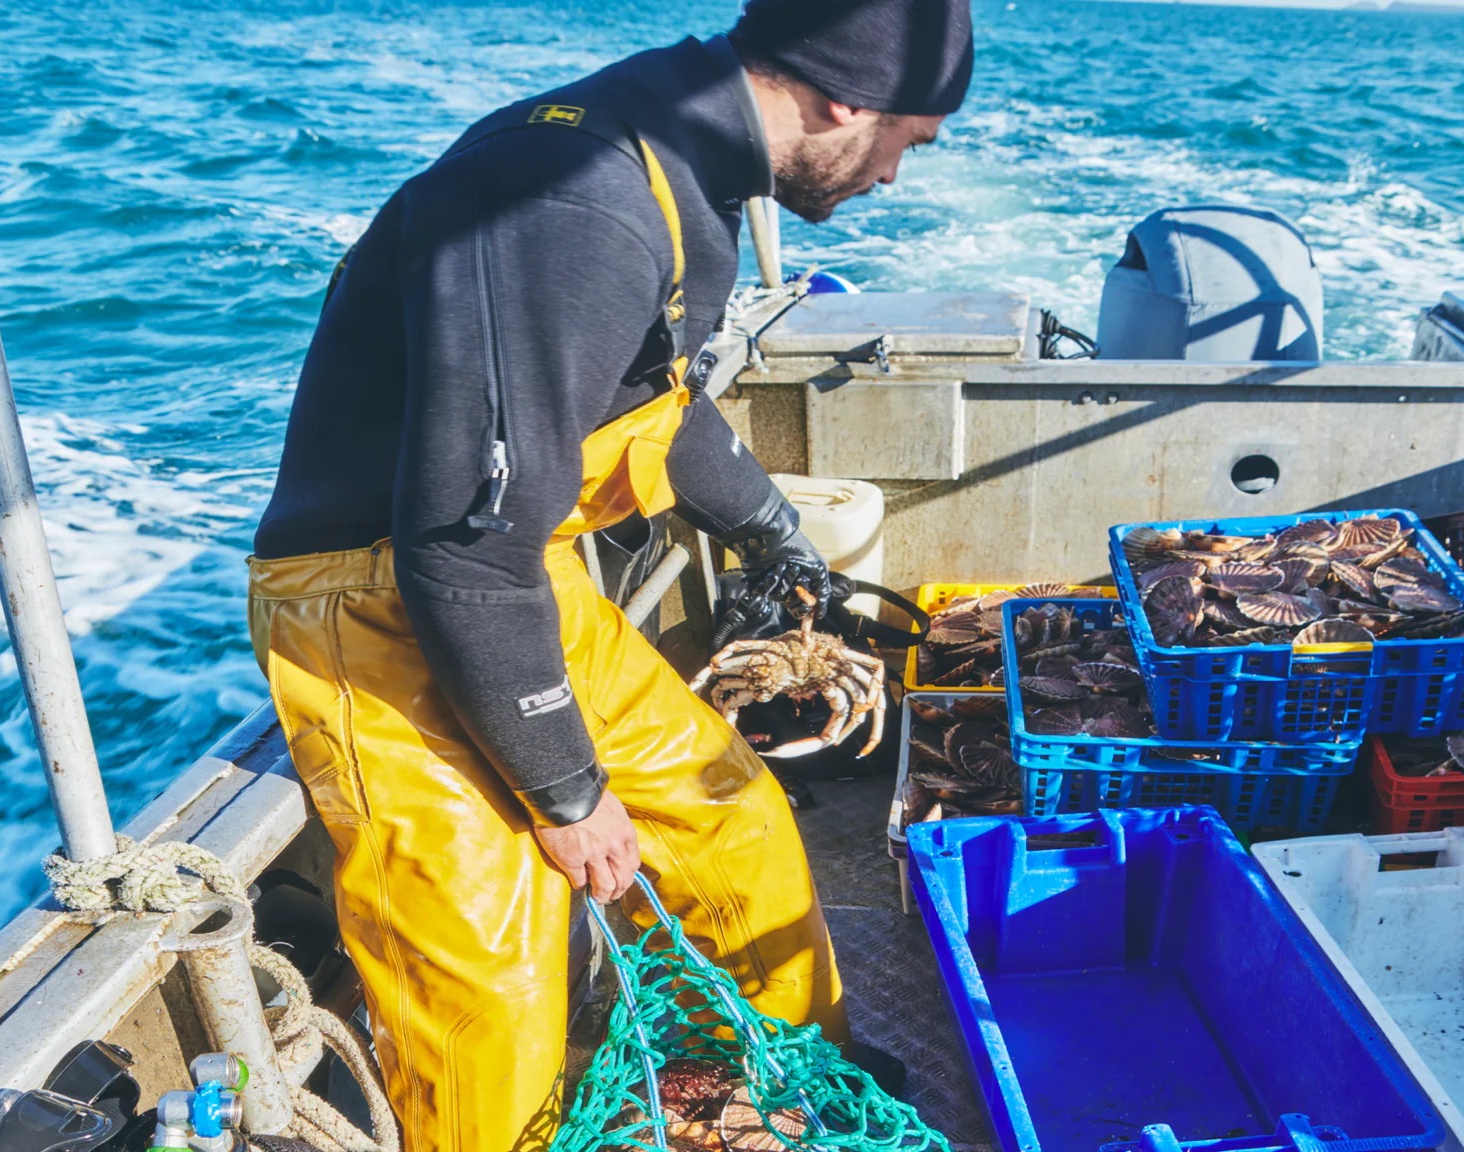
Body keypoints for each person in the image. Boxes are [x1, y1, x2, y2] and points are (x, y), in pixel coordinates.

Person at [247, 0, 973, 1149]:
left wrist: (773, 530)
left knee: (735, 829)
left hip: (518, 583)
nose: (892, 173)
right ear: (846, 96)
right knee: (488, 984)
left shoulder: (679, 152)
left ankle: (777, 1083)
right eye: (905, 141)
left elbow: (652, 397)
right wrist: (567, 793)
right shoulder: (577, 202)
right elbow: (459, 544)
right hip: (379, 605)